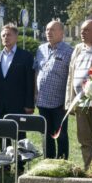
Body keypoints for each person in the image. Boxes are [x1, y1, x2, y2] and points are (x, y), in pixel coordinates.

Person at [0, 24, 35, 159]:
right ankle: (5, 165)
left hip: (19, 105)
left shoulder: (25, 56)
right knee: (2, 135)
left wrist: (29, 104)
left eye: (8, 35)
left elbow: (29, 82)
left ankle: (20, 164)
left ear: (16, 37)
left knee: (19, 135)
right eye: (3, 35)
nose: (5, 37)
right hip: (0, 105)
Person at [65, 20, 92, 169]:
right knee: (84, 139)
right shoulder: (78, 49)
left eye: (87, 30)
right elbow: (71, 74)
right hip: (80, 101)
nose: (82, 33)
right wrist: (69, 101)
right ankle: (89, 168)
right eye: (82, 30)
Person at [34, 20, 73, 159]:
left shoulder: (69, 51)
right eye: (47, 30)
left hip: (59, 102)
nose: (48, 32)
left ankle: (62, 162)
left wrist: (68, 100)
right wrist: (35, 94)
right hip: (42, 100)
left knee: (61, 135)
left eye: (52, 30)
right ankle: (48, 162)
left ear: (61, 33)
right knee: (46, 134)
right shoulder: (41, 49)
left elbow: (71, 77)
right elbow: (37, 72)